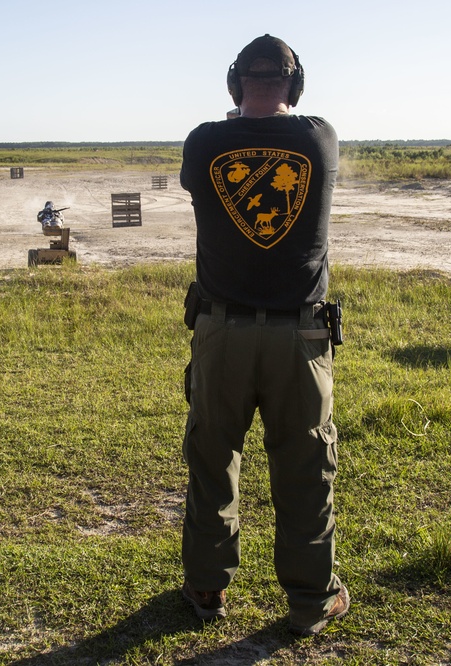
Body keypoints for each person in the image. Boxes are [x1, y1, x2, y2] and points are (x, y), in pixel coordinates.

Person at [178, 35, 349, 636]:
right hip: (300, 338)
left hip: (220, 330)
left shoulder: (206, 142)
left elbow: (214, 161)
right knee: (305, 466)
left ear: (234, 83)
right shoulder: (317, 138)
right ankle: (309, 601)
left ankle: (206, 586)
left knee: (212, 455)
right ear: (294, 84)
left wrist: (237, 123)